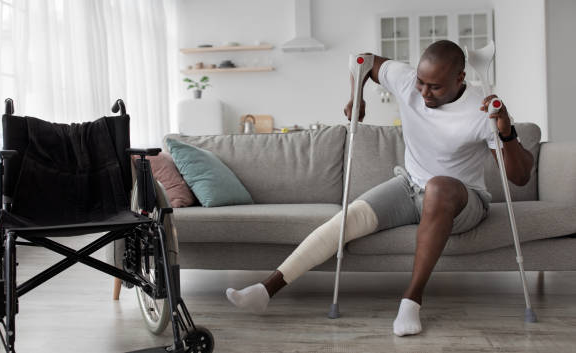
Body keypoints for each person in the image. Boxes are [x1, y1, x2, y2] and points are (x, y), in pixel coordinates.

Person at [225, 40, 533, 336]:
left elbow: (519, 177)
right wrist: (357, 97)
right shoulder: (407, 80)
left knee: (438, 187)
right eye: (421, 82)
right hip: (410, 185)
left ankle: (411, 302)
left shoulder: (482, 110)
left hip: (464, 200)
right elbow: (362, 61)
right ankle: (265, 290)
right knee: (350, 217)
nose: (423, 92)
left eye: (435, 86)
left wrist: (507, 134)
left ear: (460, 78)